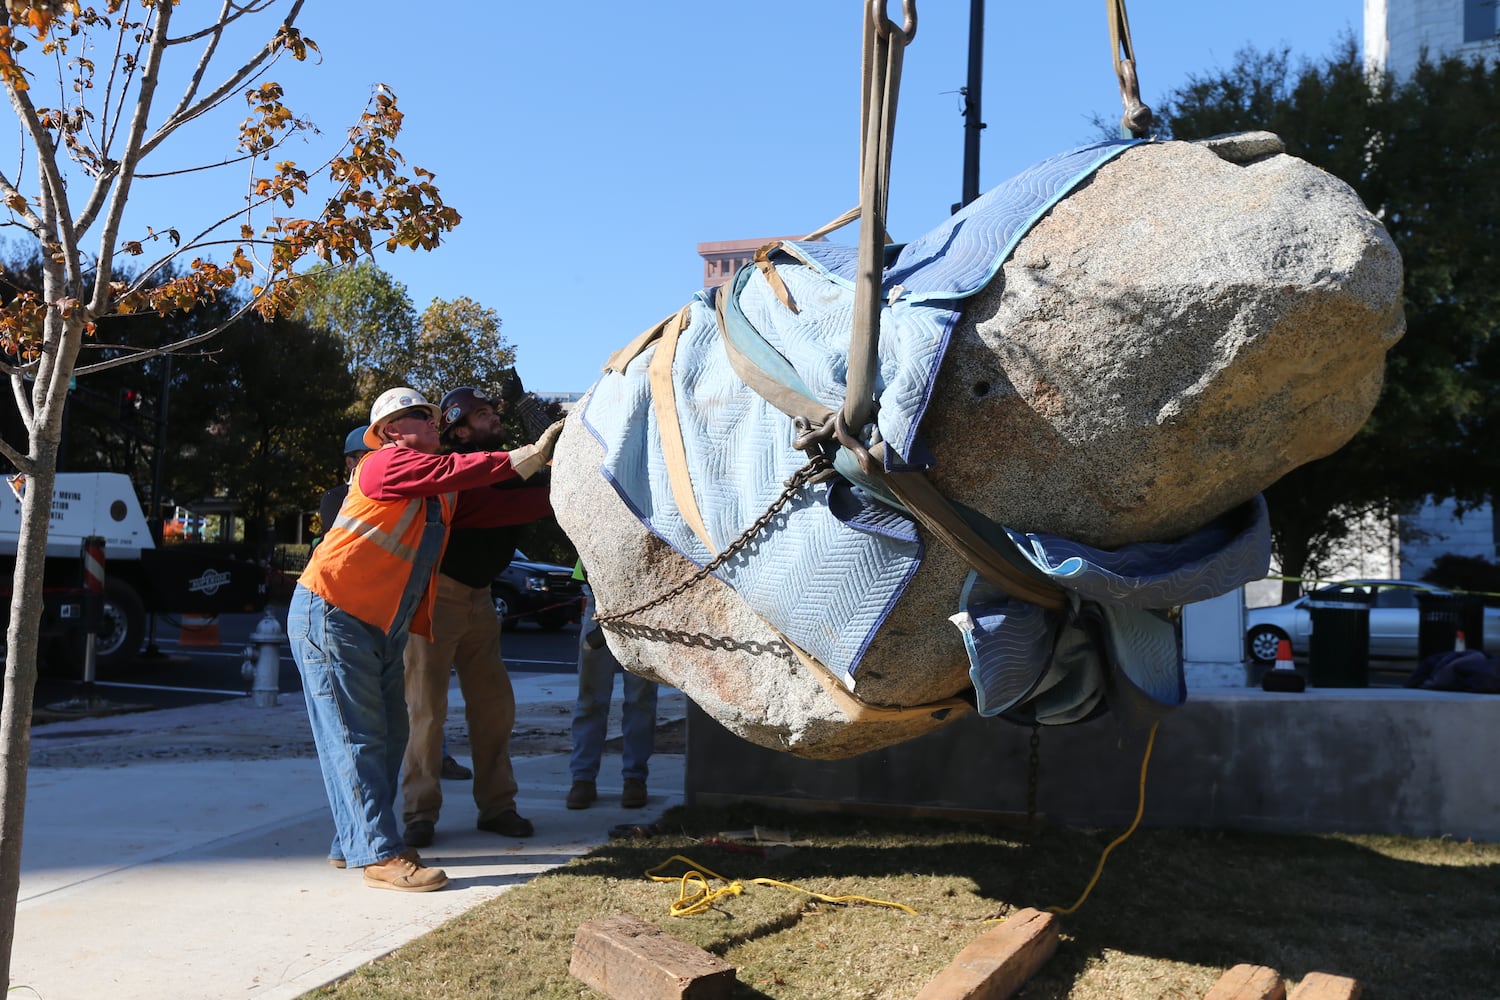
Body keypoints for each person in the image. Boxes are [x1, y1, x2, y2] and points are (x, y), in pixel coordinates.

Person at [288, 387, 561, 892]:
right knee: (359, 737)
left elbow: (508, 506)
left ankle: (354, 840)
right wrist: (527, 454)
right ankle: (378, 853)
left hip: (378, 625)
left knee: (390, 737)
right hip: (333, 613)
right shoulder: (380, 465)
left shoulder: (440, 496)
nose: (434, 422)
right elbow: (457, 471)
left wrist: (573, 481)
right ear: (391, 431)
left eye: (434, 417)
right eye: (421, 416)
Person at [399, 375, 556, 848]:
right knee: (425, 710)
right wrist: (560, 490)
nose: (494, 417)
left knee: (494, 709)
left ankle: (498, 806)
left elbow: (537, 472)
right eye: (483, 414)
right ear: (460, 432)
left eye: (494, 410)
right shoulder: (457, 474)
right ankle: (418, 813)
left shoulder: (501, 469)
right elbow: (516, 505)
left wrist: (535, 418)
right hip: (437, 597)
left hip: (480, 596)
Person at [317, 425, 473, 781]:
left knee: (399, 716)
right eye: (365, 457)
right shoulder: (343, 497)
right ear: (351, 462)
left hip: (394, 617)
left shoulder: (422, 491)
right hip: (347, 615)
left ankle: (434, 757)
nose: (377, 462)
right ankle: (393, 810)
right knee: (365, 728)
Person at [566, 567, 659, 810]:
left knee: (640, 698)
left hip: (643, 602)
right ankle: (583, 778)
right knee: (590, 698)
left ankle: (635, 778)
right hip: (600, 601)